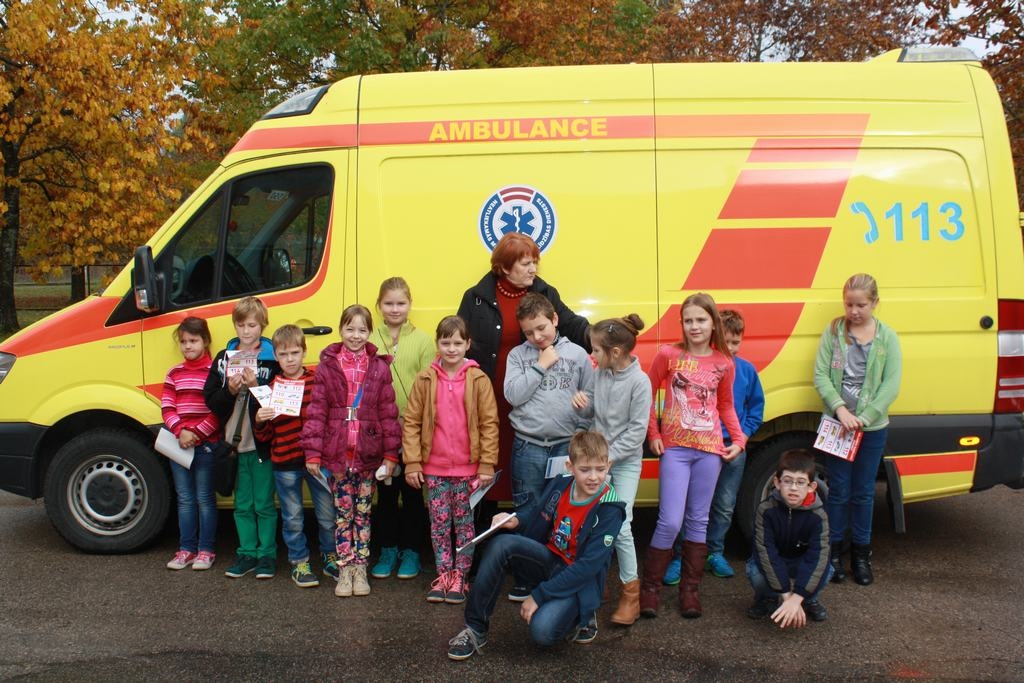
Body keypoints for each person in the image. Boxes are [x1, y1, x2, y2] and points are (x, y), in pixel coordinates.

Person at [446, 431, 626, 661]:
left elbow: (588, 568)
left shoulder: (610, 509)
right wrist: (515, 518)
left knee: (542, 632)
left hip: (579, 578)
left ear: (608, 465)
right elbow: (538, 508)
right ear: (570, 466)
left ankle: (583, 615)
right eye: (585, 469)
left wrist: (540, 596)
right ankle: (474, 629)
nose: (593, 477)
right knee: (501, 544)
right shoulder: (562, 483)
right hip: (550, 560)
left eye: (600, 469)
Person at [457, 232, 590, 513]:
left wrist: (599, 336)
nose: (533, 269)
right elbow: (460, 340)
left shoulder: (544, 293)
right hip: (488, 397)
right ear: (505, 268)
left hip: (532, 400)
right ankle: (485, 532)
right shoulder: (476, 297)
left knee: (522, 469)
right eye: (526, 264)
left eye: (535, 263)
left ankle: (527, 531)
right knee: (486, 461)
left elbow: (571, 324)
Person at [641, 293, 745, 619]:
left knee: (698, 521)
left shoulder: (723, 363)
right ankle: (651, 589)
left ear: (713, 322)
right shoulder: (668, 355)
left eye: (701, 320)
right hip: (675, 450)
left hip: (708, 452)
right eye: (688, 321)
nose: (695, 326)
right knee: (670, 520)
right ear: (682, 324)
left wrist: (739, 439)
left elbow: (726, 405)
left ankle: (690, 591)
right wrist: (654, 434)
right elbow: (647, 392)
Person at [301, 304, 401, 598]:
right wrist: (313, 452)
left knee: (364, 514)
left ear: (370, 332)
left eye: (362, 330)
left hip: (368, 454)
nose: (355, 336)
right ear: (341, 329)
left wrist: (391, 454)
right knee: (342, 515)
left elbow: (388, 413)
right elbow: (317, 411)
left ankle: (361, 567)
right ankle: (345, 568)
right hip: (337, 455)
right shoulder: (327, 366)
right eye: (350, 329)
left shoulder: (379, 367)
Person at [403, 315, 499, 604]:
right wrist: (412, 461)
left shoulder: (478, 379)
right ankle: (444, 574)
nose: (452, 348)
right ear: (437, 344)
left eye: (458, 342)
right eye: (446, 342)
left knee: (465, 524)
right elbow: (411, 422)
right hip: (433, 469)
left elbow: (489, 423)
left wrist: (485, 464)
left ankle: (461, 577)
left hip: (468, 470)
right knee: (439, 524)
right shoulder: (425, 378)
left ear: (468, 344)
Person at [664, 309, 764, 584]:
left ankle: (714, 552)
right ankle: (680, 555)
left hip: (731, 448)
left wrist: (742, 437)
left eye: (735, 342)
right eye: (725, 342)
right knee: (688, 505)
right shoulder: (696, 365)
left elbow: (755, 409)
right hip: (700, 445)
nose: (729, 349)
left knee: (723, 504)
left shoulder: (746, 370)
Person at [813, 273, 901, 586]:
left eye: (861, 305)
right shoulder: (834, 332)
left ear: (875, 302)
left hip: (871, 428)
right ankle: (834, 554)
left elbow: (891, 384)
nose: (854, 311)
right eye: (849, 304)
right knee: (838, 491)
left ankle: (861, 555)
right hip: (838, 427)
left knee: (864, 492)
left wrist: (866, 417)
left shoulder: (887, 337)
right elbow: (821, 374)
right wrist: (840, 410)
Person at [570, 315, 652, 626]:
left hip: (624, 461)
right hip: (599, 461)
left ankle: (631, 593)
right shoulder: (600, 373)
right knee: (589, 521)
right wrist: (581, 402)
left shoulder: (639, 382)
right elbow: (591, 411)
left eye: (596, 350)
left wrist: (607, 460)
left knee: (621, 523)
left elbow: (636, 433)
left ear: (615, 352)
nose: (592, 355)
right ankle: (590, 584)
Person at [254, 324, 337, 588]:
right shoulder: (270, 388)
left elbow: (328, 422)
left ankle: (330, 556)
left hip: (318, 462)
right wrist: (260, 419)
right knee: (292, 517)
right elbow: (265, 436)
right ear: (276, 357)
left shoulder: (317, 382)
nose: (289, 359)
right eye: (283, 354)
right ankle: (299, 561)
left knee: (327, 515)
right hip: (285, 462)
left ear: (304, 352)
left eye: (294, 353)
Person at [204, 296, 280, 580]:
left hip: (262, 443)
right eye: (241, 325)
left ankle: (267, 555)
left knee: (264, 503)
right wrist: (230, 392)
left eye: (252, 325)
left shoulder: (274, 359)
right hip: (234, 445)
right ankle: (246, 552)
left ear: (262, 325)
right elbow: (211, 400)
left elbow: (280, 404)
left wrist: (257, 385)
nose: (247, 331)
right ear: (234, 325)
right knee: (242, 503)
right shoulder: (224, 358)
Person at [504, 293, 594, 522]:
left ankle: (556, 556)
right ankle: (528, 555)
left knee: (564, 508)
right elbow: (513, 396)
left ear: (555, 319)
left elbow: (591, 398)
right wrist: (540, 366)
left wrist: (581, 426)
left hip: (566, 445)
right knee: (527, 510)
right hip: (528, 445)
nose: (536, 336)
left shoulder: (577, 354)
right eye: (528, 332)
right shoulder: (517, 356)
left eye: (541, 327)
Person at [369, 277, 435, 581]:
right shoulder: (369, 338)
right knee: (384, 495)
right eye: (389, 303)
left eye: (401, 303)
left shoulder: (422, 340)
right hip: (380, 432)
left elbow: (428, 387)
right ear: (379, 306)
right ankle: (387, 549)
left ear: (409, 305)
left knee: (411, 495)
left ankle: (411, 551)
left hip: (411, 431)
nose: (395, 309)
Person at [746, 448, 832, 627]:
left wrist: (797, 598)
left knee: (826, 569)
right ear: (777, 483)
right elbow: (765, 552)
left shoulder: (819, 515)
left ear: (811, 486)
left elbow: (818, 557)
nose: (793, 488)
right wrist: (786, 595)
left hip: (800, 562)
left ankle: (808, 599)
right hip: (777, 559)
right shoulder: (766, 510)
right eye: (787, 481)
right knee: (755, 570)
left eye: (801, 482)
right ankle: (768, 598)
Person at [161, 317, 220, 571]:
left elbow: (218, 410)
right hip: (179, 445)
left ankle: (206, 550)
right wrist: (180, 431)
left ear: (205, 341)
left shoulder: (214, 373)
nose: (188, 346)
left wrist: (196, 434)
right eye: (183, 342)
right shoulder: (174, 373)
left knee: (204, 498)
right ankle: (186, 548)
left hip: (205, 445)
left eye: (193, 341)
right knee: (185, 498)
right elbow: (167, 406)